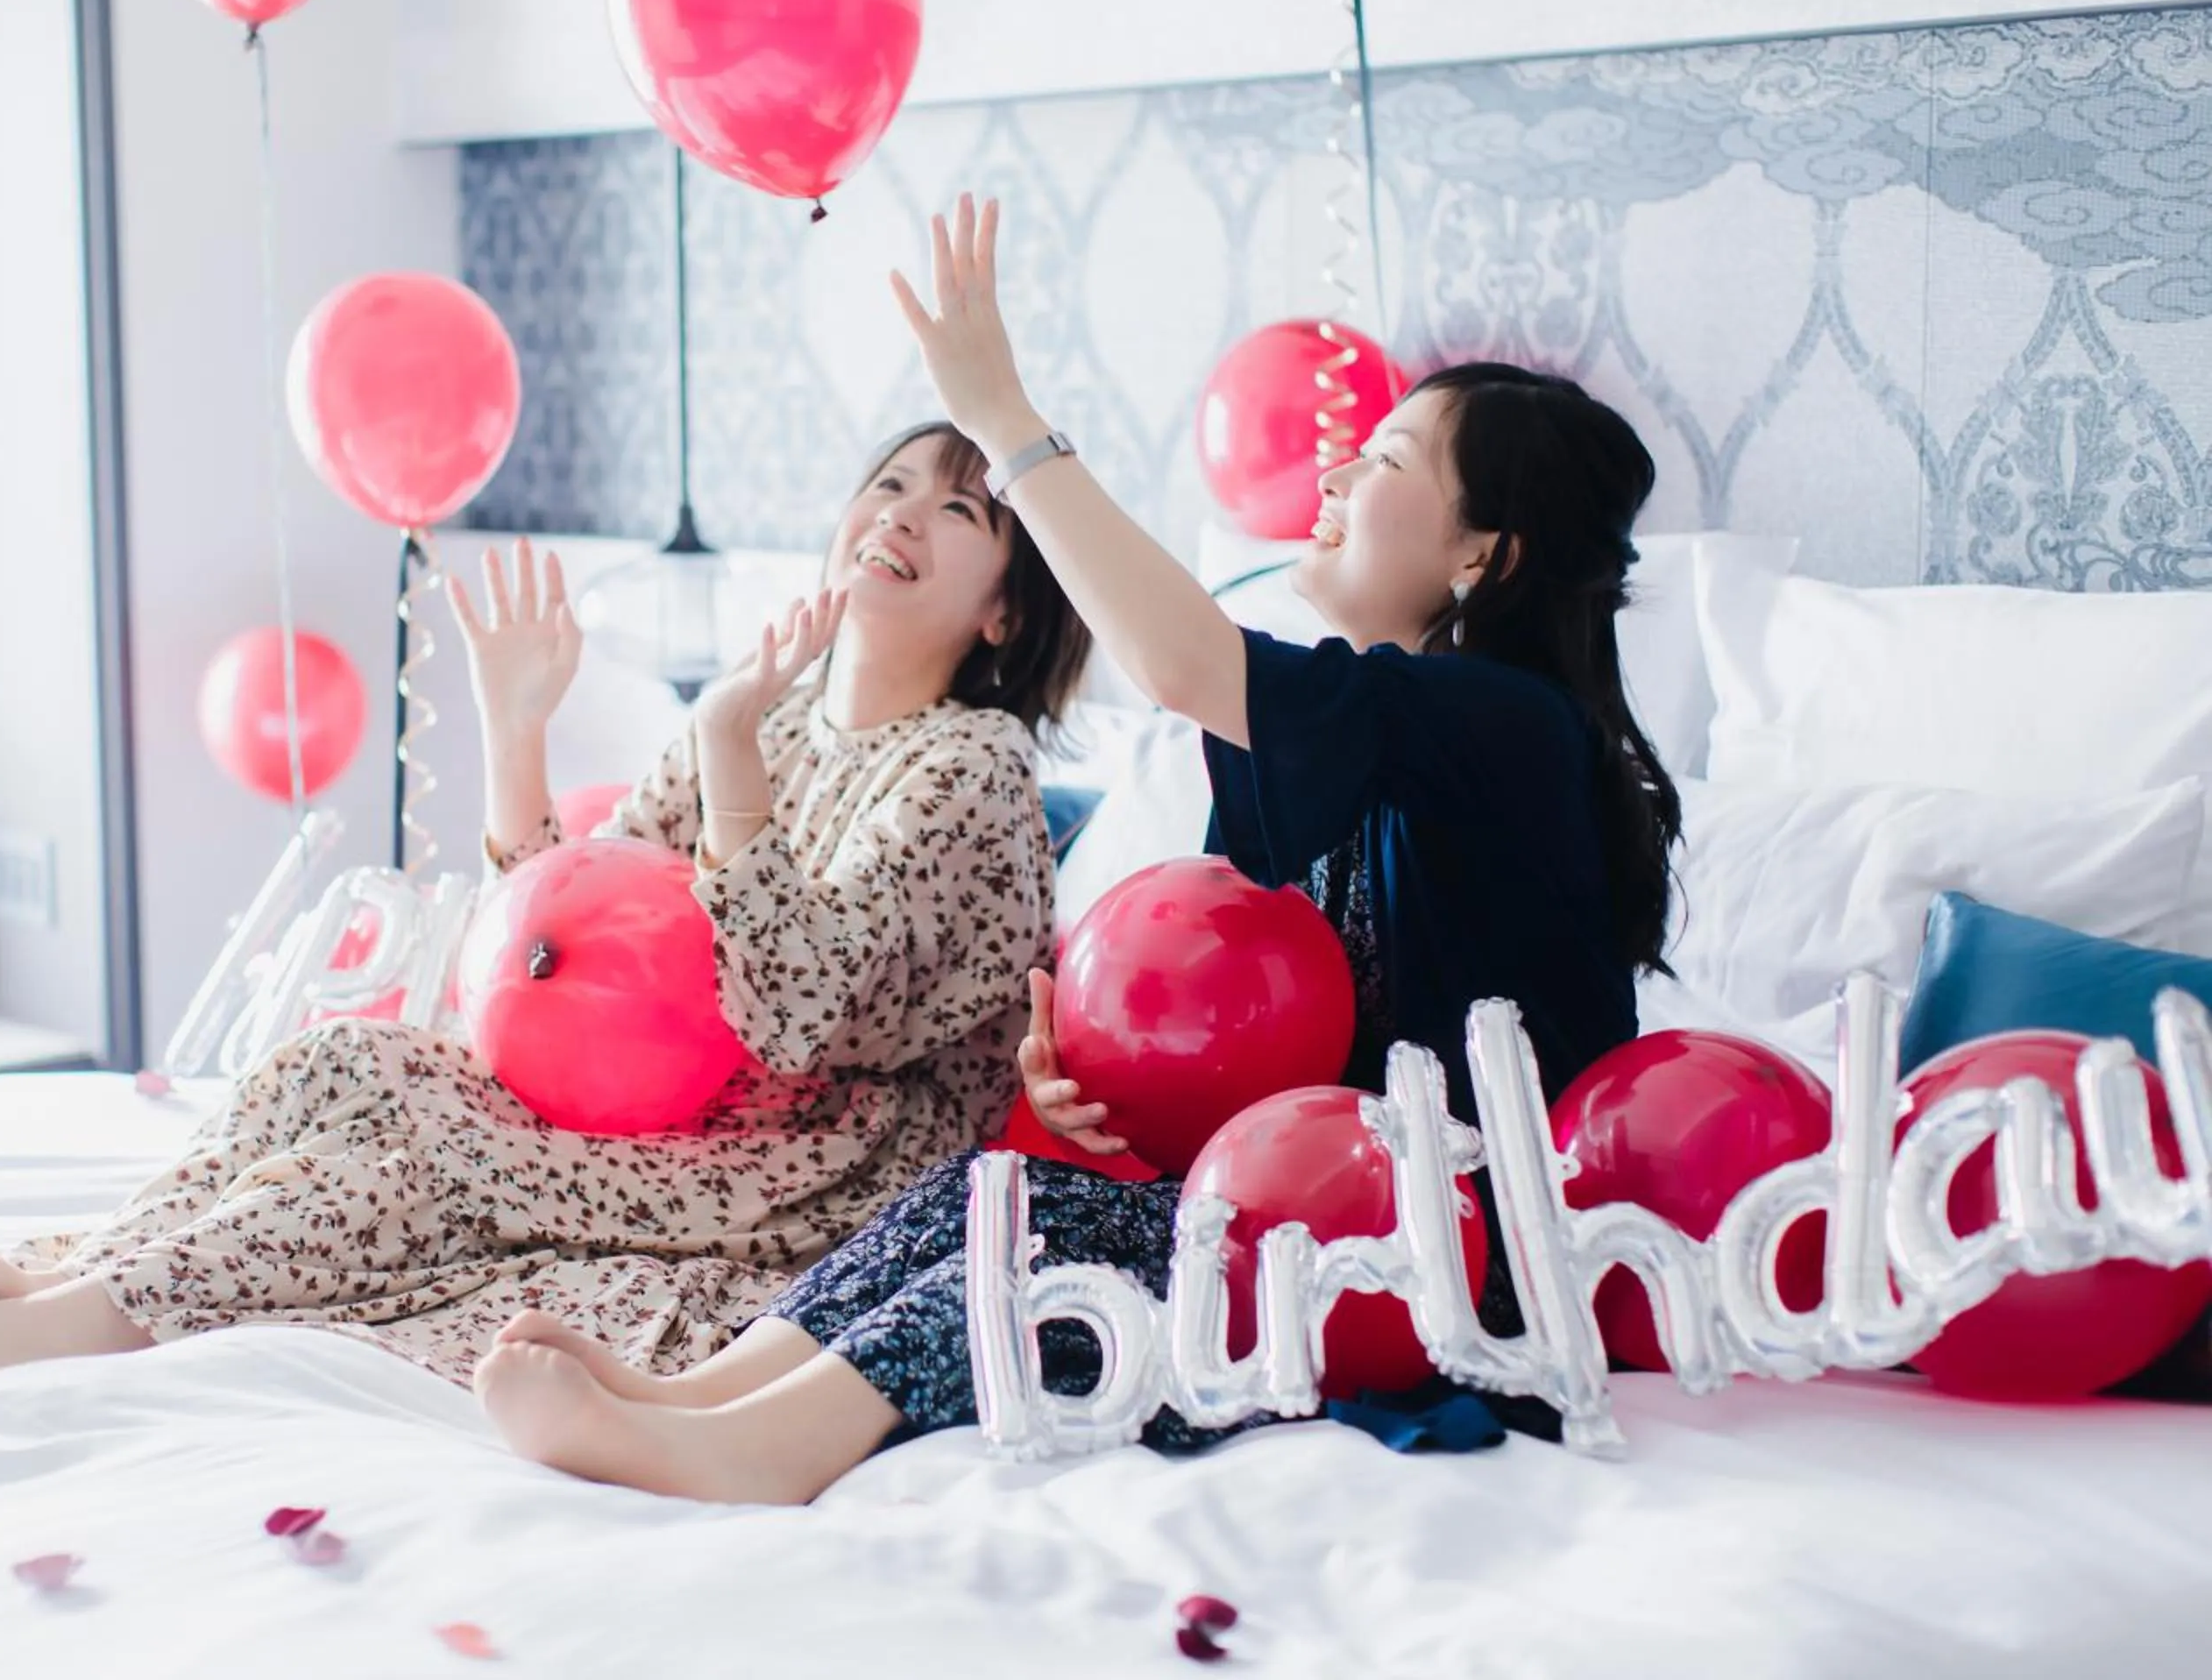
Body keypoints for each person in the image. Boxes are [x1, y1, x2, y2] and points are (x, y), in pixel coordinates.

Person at [472, 193, 1682, 1503]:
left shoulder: (1509, 727)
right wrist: (1100, 1101)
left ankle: (753, 1454)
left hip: (1454, 1259)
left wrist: (1006, 419)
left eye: (1384, 463)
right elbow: (1252, 1020)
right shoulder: (1358, 739)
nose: (1331, 480)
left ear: (1483, 556)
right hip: (1324, 1210)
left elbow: (1178, 663)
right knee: (996, 1189)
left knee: (1055, 1246)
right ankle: (698, 1393)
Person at [0, 420, 1092, 1396]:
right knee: (346, 1060)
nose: (907, 510)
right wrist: (515, 730)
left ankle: (24, 1337)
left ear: (1003, 612)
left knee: (411, 1170)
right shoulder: (769, 717)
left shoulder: (970, 768)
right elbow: (567, 939)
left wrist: (726, 748)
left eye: (963, 509)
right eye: (892, 480)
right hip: (660, 1114)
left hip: (796, 1177)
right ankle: (56, 1275)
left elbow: (803, 1013)